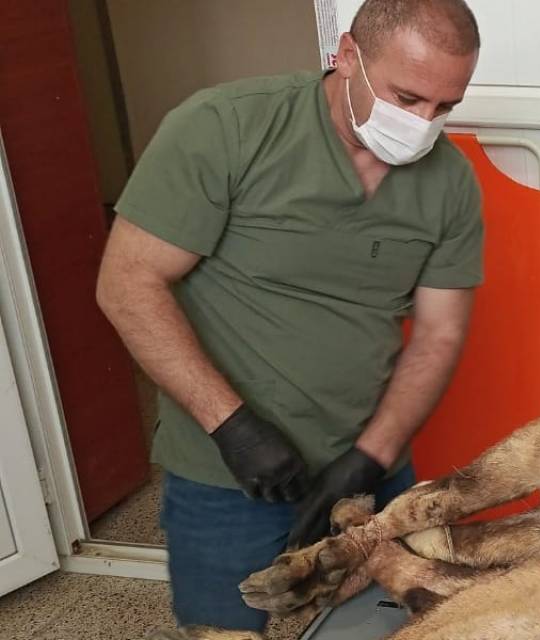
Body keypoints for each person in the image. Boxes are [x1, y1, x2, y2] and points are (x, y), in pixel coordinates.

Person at [95, 0, 484, 631]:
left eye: (445, 108)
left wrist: (371, 455)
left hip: (368, 469)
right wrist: (233, 427)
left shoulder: (450, 183)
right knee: (227, 625)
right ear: (348, 56)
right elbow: (128, 284)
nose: (422, 124)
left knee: (382, 625)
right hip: (228, 471)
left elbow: (439, 334)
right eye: (407, 98)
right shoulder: (227, 128)